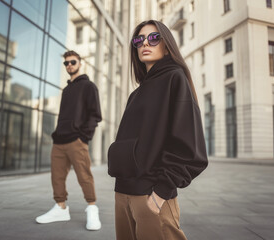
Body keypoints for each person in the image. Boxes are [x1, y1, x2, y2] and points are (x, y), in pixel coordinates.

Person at [107, 20, 208, 240]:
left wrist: (160, 193)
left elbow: (190, 147)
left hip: (151, 196)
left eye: (153, 38)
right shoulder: (136, 93)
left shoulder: (175, 78)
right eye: (139, 39)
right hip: (122, 193)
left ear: (166, 44)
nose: (145, 43)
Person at [36, 50, 102, 231]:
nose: (69, 65)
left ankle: (92, 207)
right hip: (59, 141)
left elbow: (95, 115)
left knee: (84, 176)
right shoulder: (66, 90)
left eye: (72, 62)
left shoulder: (89, 86)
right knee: (56, 177)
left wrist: (84, 137)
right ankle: (60, 207)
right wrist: (57, 133)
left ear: (80, 63)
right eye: (66, 63)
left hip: (77, 140)